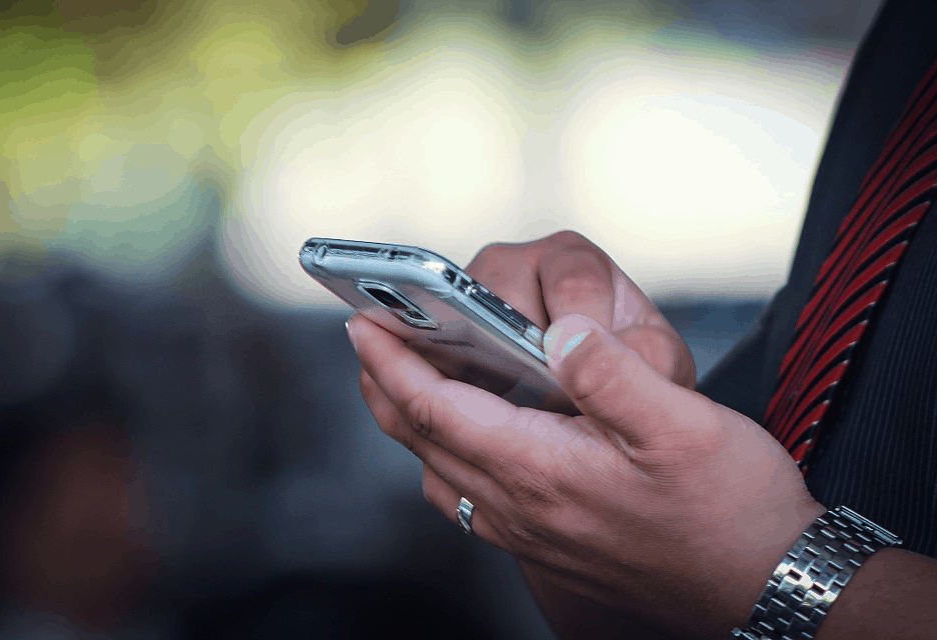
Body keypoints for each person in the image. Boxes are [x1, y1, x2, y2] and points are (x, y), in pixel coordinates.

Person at [346, 0, 937, 637]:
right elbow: (660, 603)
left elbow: (728, 576)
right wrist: (571, 483)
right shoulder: (909, 40)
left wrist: (766, 572)